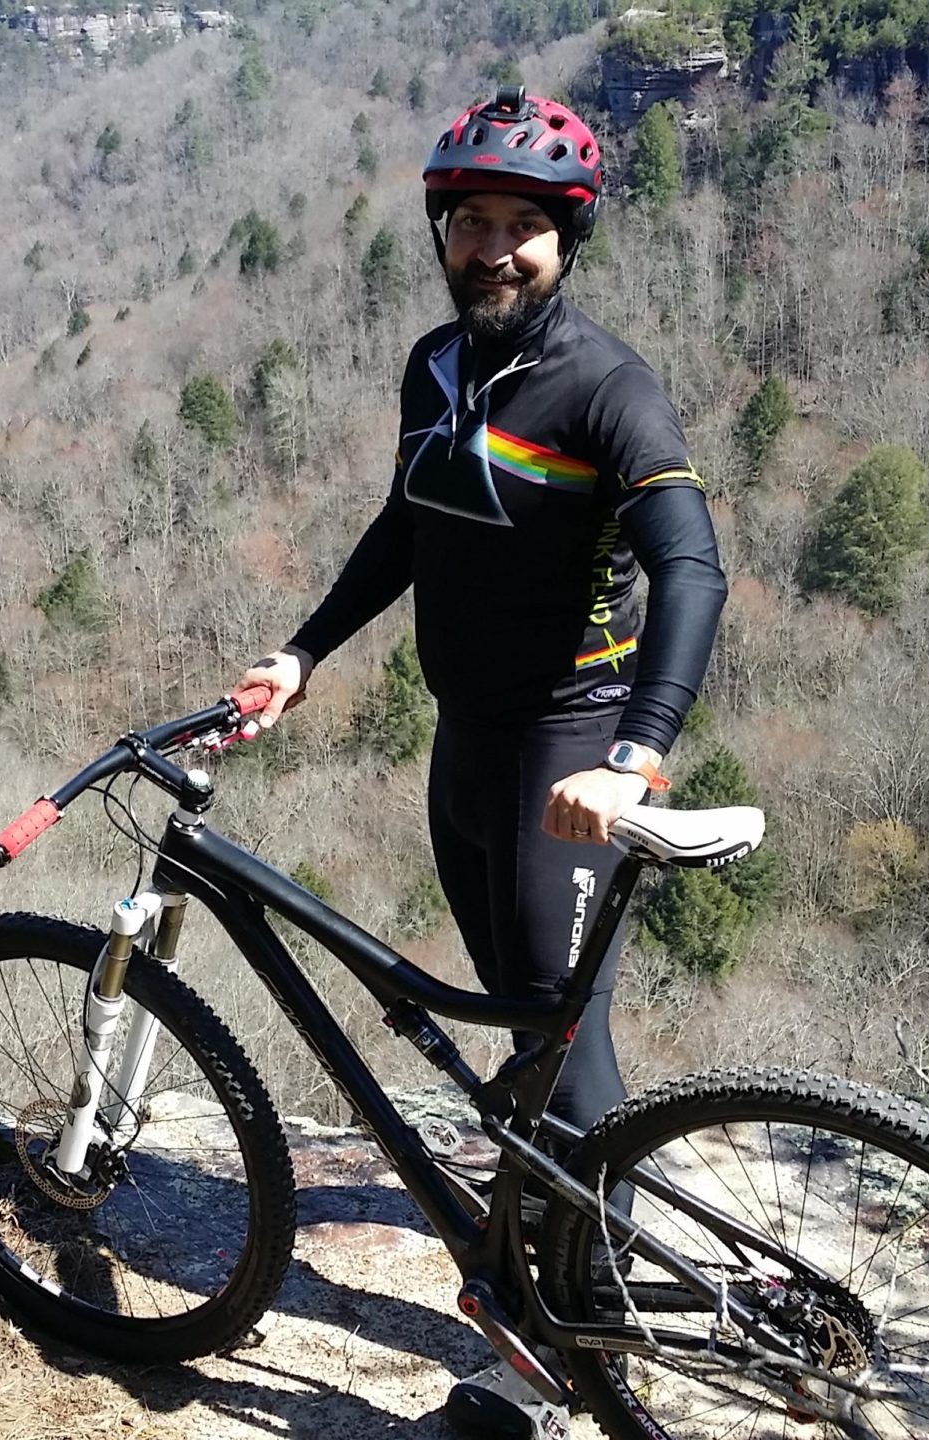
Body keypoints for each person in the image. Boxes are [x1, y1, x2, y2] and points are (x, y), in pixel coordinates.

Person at [235, 89, 729, 1440]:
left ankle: (567, 1342)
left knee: (564, 1049)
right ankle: (576, 1271)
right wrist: (304, 651)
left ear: (568, 240)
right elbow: (410, 521)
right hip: (468, 742)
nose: (495, 248)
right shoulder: (436, 368)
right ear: (442, 232)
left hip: (573, 746)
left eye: (525, 227)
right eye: (472, 222)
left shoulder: (606, 388)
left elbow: (692, 564)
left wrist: (641, 751)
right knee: (524, 1024)